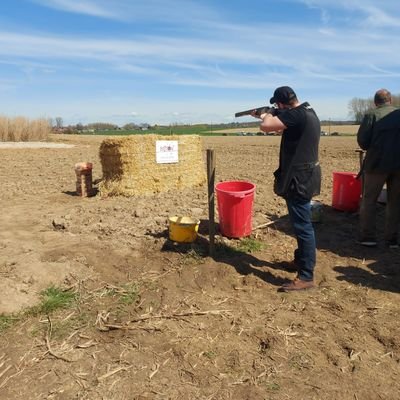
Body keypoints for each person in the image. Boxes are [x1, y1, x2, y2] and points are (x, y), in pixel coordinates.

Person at [251, 86, 321, 291]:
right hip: (305, 175)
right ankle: (300, 262)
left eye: (277, 105)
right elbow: (279, 124)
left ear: (281, 104)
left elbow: (266, 126)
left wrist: (266, 113)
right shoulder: (307, 111)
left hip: (299, 178)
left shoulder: (297, 115)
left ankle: (306, 276)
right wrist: (268, 114)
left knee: (303, 226)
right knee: (301, 222)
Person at [357, 88, 400, 248]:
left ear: (376, 102)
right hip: (398, 166)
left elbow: (363, 141)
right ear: (391, 101)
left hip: (376, 165)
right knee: (395, 202)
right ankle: (392, 240)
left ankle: (368, 237)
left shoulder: (371, 115)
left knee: (369, 200)